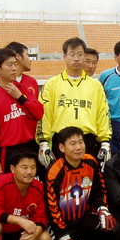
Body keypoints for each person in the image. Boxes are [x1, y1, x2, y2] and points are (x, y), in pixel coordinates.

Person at [44, 127, 116, 240]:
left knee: (111, 227)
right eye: (72, 143)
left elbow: (98, 190)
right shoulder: (54, 172)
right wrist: (63, 236)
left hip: (82, 219)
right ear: (61, 147)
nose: (78, 147)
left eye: (81, 142)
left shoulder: (90, 162)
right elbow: (52, 209)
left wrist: (102, 208)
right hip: (61, 225)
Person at [36, 37, 112, 168]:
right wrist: (43, 142)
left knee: (90, 184)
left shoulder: (96, 86)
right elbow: (43, 114)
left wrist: (105, 142)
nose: (76, 58)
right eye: (72, 54)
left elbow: (103, 113)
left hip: (88, 142)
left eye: (80, 54)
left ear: (84, 57)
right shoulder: (52, 84)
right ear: (64, 57)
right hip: (61, 141)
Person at [0, 48, 44, 186]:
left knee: (32, 190)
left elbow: (38, 113)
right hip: (6, 152)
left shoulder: (22, 89)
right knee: (4, 190)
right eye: (9, 65)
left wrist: (20, 97)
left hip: (29, 147)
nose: (14, 68)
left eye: (15, 64)